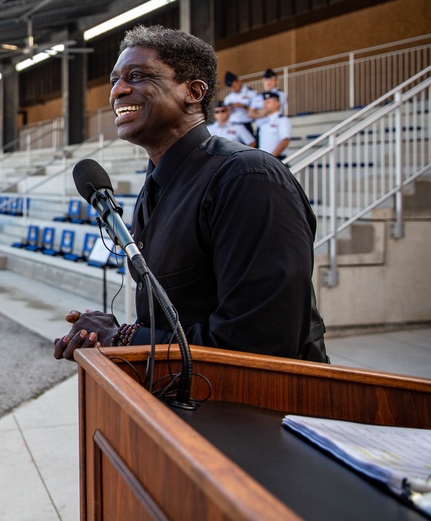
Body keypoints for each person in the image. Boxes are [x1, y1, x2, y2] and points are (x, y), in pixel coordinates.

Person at [54, 25, 327, 363]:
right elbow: (179, 320)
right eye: (114, 81)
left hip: (260, 412)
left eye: (137, 76)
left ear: (194, 92)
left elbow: (259, 344)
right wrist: (110, 336)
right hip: (179, 407)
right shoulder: (155, 188)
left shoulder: (248, 178)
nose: (118, 91)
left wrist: (125, 338)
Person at [222, 71, 260, 138]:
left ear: (238, 81)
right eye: (230, 88)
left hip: (247, 124)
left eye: (234, 86)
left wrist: (243, 106)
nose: (233, 89)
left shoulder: (251, 93)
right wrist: (229, 109)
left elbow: (257, 110)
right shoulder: (228, 98)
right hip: (233, 125)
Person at [255, 92, 292, 160]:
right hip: (264, 161)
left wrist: (271, 158)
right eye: (264, 102)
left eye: (268, 102)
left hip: (276, 160)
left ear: (277, 103)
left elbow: (285, 141)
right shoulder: (263, 122)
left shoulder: (282, 120)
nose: (265, 105)